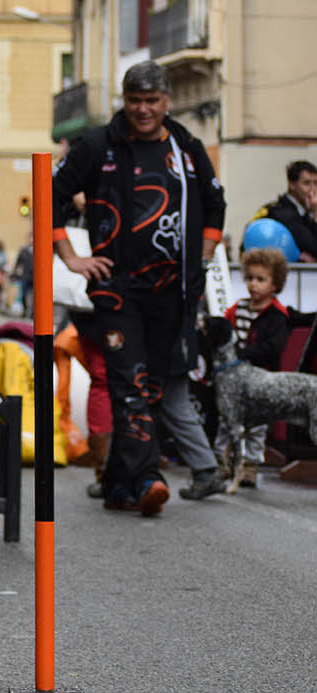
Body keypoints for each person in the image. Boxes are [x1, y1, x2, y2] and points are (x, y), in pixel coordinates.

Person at [52, 60, 225, 515]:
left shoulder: (187, 147)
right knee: (130, 382)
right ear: (124, 101)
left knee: (154, 387)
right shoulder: (97, 145)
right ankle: (148, 477)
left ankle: (117, 483)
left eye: (151, 100)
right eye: (135, 100)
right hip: (116, 290)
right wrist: (70, 257)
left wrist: (203, 259)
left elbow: (215, 203)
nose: (143, 109)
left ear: (167, 101)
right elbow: (51, 192)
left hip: (175, 292)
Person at [217, 247, 292, 487]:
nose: (253, 284)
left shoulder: (277, 316)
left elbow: (274, 347)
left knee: (257, 426)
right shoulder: (237, 309)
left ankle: (250, 466)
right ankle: (223, 461)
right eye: (249, 278)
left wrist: (244, 354)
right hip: (235, 380)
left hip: (261, 379)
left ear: (275, 283)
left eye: (261, 279)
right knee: (227, 420)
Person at [249, 160, 317, 263]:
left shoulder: (306, 212)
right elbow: (313, 248)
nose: (313, 189)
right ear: (292, 185)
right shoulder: (283, 213)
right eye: (307, 183)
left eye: (316, 183)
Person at [12, 234, 35, 317]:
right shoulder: (24, 250)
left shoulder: (39, 249)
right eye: (30, 238)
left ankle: (33, 312)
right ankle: (25, 310)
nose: (31, 240)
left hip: (35, 276)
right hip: (25, 276)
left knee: (35, 296)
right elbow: (18, 262)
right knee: (24, 294)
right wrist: (15, 272)